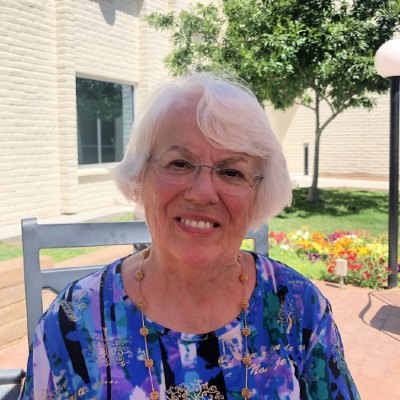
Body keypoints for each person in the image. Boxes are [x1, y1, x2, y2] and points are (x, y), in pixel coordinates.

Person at [20, 73, 360, 399]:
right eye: (179, 163)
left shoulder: (299, 308)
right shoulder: (74, 319)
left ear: (258, 194)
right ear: (142, 176)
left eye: (231, 171)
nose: (202, 193)